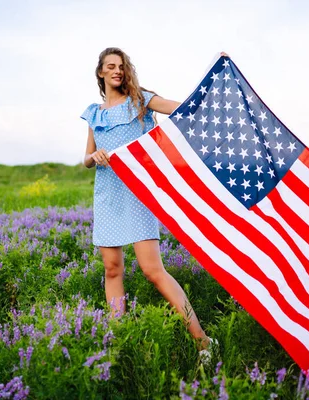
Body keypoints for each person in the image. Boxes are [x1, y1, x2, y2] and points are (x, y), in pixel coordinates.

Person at [80, 47, 221, 364]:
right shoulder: (94, 113)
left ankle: (203, 342)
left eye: (121, 66)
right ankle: (121, 345)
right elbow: (86, 158)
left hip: (137, 193)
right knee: (112, 270)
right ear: (101, 73)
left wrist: (212, 82)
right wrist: (94, 157)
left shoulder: (140, 100)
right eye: (110, 66)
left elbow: (180, 108)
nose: (117, 70)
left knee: (152, 270)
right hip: (107, 195)